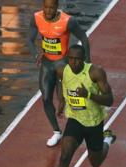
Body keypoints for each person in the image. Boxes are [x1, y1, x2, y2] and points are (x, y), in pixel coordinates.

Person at [49, 45, 116, 167]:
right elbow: (60, 81)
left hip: (94, 123)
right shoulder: (62, 70)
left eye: (78, 59)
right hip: (75, 120)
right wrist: (62, 101)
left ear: (84, 59)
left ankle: (107, 139)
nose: (74, 62)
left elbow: (110, 99)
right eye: (71, 58)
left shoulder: (95, 73)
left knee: (95, 162)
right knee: (64, 157)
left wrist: (89, 95)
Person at [27, 0, 91, 147]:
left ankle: (88, 123)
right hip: (47, 65)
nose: (48, 11)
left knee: (67, 98)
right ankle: (57, 131)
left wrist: (87, 63)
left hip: (62, 65)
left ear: (57, 7)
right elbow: (29, 40)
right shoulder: (36, 17)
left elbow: (83, 38)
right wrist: (35, 54)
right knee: (46, 98)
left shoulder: (68, 21)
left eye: (51, 8)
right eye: (46, 7)